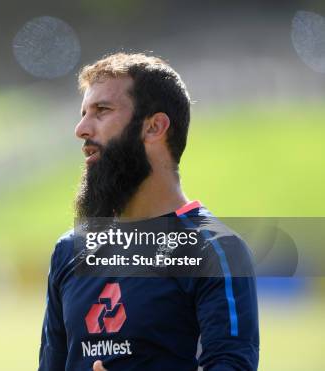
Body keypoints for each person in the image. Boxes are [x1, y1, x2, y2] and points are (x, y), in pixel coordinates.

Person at [38, 53, 259, 370]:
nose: (81, 129)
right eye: (83, 113)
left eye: (102, 111)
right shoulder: (69, 250)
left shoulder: (215, 250)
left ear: (154, 127)